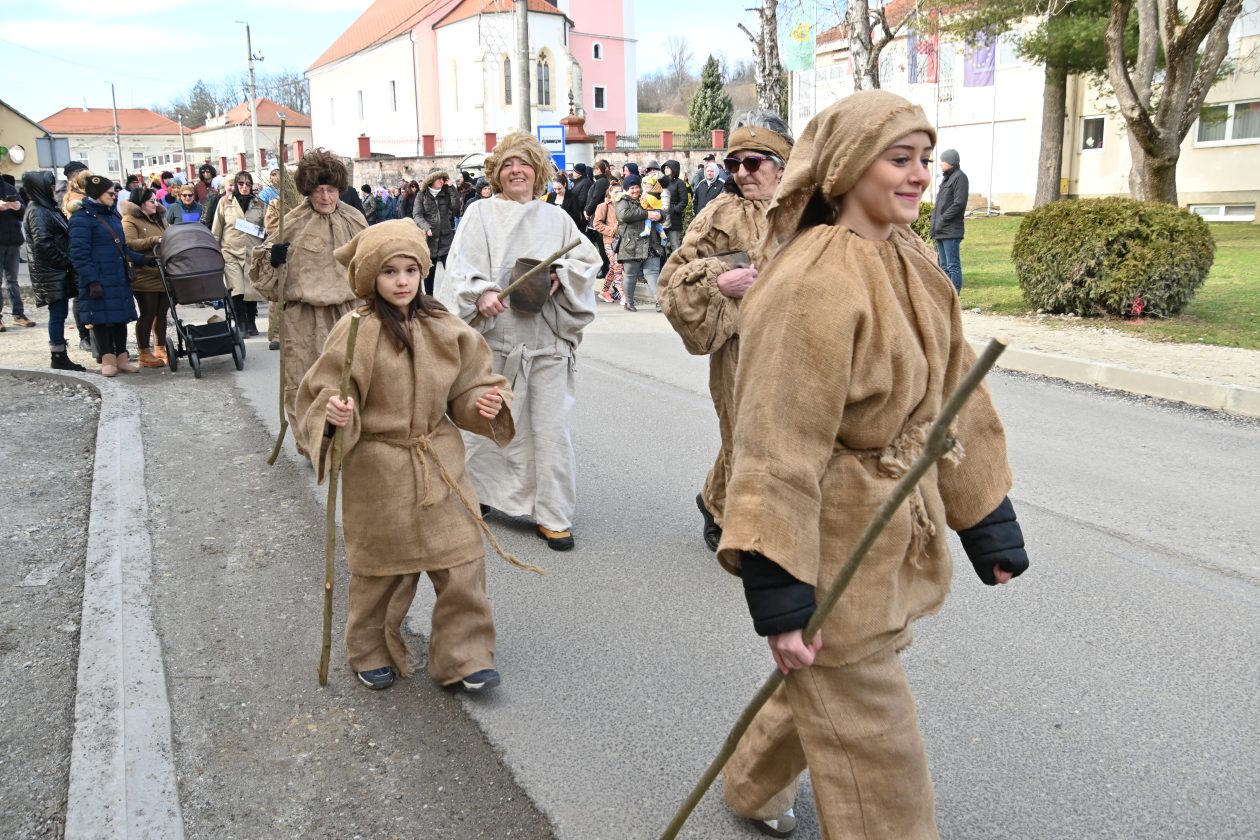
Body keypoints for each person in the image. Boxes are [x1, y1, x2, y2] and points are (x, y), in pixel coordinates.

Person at [713, 90, 1029, 839]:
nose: (921, 174)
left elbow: (957, 402)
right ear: (851, 167)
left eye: (925, 157)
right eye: (900, 158)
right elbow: (774, 444)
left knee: (824, 679)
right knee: (871, 724)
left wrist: (986, 520)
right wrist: (782, 591)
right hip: (828, 537)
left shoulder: (915, 266)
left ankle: (748, 787)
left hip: (893, 524)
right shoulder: (808, 283)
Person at [296, 219, 517, 693]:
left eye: (410, 270)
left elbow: (469, 386)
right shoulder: (355, 331)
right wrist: (334, 414)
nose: (401, 281)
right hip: (378, 467)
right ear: (370, 279)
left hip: (438, 459)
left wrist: (482, 404)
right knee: (381, 570)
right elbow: (324, 392)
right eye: (390, 271)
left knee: (461, 561)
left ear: (422, 273)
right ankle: (370, 649)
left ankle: (466, 656)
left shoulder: (445, 328)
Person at [438, 131, 601, 551]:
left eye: (524, 163)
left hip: (546, 342)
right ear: (496, 172)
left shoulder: (557, 218)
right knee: (488, 424)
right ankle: (483, 494)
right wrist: (482, 292)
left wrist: (559, 278)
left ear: (538, 171)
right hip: (495, 341)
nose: (516, 170)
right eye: (508, 163)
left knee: (549, 428)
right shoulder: (480, 214)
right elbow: (461, 267)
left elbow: (586, 261)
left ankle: (553, 514)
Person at [659, 110, 794, 554]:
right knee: (747, 435)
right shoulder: (719, 213)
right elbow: (673, 279)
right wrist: (719, 278)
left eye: (752, 163)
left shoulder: (811, 213)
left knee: (789, 435)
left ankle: (715, 500)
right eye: (733, 163)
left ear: (781, 164)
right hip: (741, 349)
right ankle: (750, 535)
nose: (740, 173)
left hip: (799, 344)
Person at [251, 148, 367, 444]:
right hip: (304, 317)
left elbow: (372, 265)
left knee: (349, 380)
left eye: (331, 190)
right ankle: (311, 444)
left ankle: (345, 441)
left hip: (348, 314)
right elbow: (266, 281)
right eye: (319, 190)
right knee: (305, 382)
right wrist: (273, 259)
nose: (326, 197)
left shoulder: (355, 219)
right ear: (308, 190)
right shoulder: (292, 222)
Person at [69, 175, 152, 376]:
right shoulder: (81, 219)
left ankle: (122, 358)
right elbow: (78, 254)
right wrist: (92, 280)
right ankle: (108, 360)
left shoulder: (113, 215)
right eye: (110, 193)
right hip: (99, 278)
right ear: (97, 194)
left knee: (119, 318)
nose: (115, 196)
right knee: (101, 319)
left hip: (117, 275)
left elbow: (122, 248)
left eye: (114, 192)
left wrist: (144, 259)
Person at [21, 170, 85, 370]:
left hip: (55, 271)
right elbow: (42, 243)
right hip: (52, 273)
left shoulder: (45, 208)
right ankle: (58, 356)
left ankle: (59, 354)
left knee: (59, 312)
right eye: (49, 186)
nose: (54, 189)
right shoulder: (38, 210)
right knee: (57, 313)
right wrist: (65, 261)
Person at [120, 188, 171, 368]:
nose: (155, 204)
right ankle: (144, 352)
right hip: (144, 274)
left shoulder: (159, 218)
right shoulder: (129, 220)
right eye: (151, 201)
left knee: (162, 313)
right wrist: (154, 240)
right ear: (141, 204)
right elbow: (129, 244)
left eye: (156, 201)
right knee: (148, 313)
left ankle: (160, 348)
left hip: (162, 272)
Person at [212, 171, 265, 337]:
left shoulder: (259, 204)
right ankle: (240, 322)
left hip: (252, 252)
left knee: (251, 289)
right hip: (230, 252)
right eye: (241, 184)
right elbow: (216, 230)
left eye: (248, 184)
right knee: (237, 289)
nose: (244, 187)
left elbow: (266, 231)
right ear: (235, 185)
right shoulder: (224, 203)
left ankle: (251, 322)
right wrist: (215, 252)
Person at [614, 175, 662, 312]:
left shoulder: (648, 197)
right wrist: (647, 214)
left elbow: (661, 210)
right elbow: (624, 215)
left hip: (651, 242)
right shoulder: (622, 201)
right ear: (626, 189)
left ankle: (660, 302)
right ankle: (629, 302)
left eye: (636, 187)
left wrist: (660, 216)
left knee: (653, 272)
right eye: (631, 188)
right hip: (631, 244)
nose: (635, 190)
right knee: (630, 274)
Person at [412, 169, 459, 295]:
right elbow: (417, 215)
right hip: (430, 239)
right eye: (439, 178)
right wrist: (426, 227)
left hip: (446, 237)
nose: (441, 181)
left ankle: (455, 298)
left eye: (443, 178)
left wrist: (452, 189)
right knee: (429, 274)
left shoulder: (447, 192)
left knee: (451, 271)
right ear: (431, 180)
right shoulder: (422, 195)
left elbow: (456, 208)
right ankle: (429, 299)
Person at [930, 148, 969, 293]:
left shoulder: (960, 177)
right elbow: (940, 204)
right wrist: (935, 223)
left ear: (950, 162)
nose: (941, 164)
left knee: (953, 265)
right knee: (944, 266)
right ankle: (946, 297)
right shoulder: (947, 178)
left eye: (943, 161)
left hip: (951, 230)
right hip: (941, 229)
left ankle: (955, 296)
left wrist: (943, 219)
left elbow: (959, 203)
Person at [0, 173, 34, 331]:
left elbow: (24, 212)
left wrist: (18, 207)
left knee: (12, 280)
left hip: (13, 241)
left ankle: (18, 314)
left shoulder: (9, 188)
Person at [591, 181, 623, 303]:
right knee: (617, 265)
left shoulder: (623, 204)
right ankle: (623, 295)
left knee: (614, 266)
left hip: (623, 241)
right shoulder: (603, 206)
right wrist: (612, 231)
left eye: (620, 191)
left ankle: (604, 291)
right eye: (616, 192)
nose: (618, 194)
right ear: (609, 193)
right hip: (610, 241)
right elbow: (597, 224)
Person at [583, 159, 611, 277]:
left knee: (601, 244)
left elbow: (595, 198)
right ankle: (603, 267)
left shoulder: (601, 182)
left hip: (597, 215)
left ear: (598, 170)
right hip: (596, 214)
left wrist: (587, 211)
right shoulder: (601, 181)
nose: (593, 171)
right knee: (599, 244)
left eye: (595, 169)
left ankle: (605, 268)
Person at [659, 159, 690, 253]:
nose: (666, 169)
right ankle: (663, 265)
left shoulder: (680, 183)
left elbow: (684, 201)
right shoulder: (660, 182)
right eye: (665, 167)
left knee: (674, 245)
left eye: (668, 167)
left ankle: (677, 266)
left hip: (674, 220)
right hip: (661, 218)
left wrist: (673, 210)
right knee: (661, 244)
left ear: (674, 169)